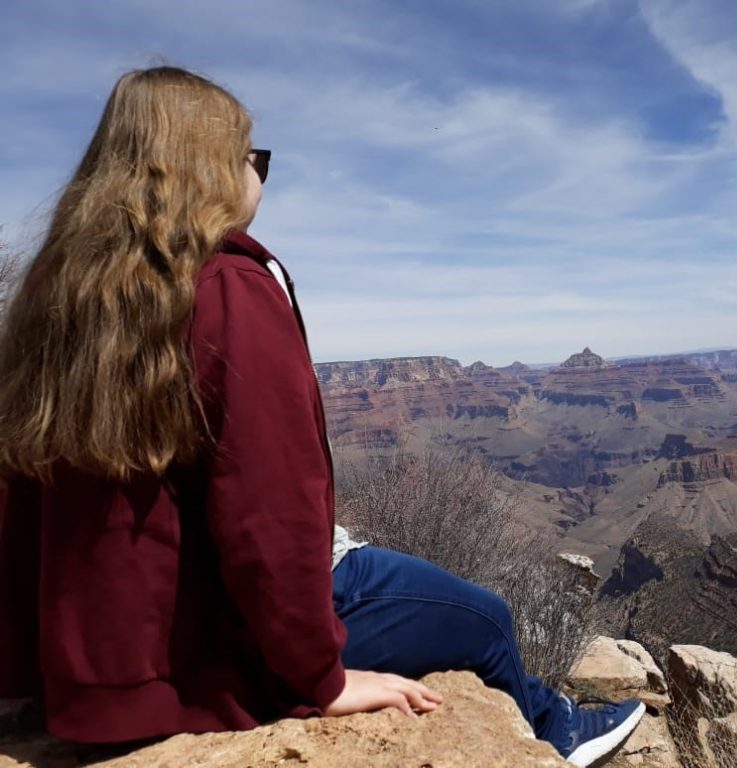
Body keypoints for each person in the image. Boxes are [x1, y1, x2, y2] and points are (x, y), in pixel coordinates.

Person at [0, 66, 644, 767]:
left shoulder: (57, 297)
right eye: (256, 159)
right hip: (204, 647)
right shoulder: (227, 289)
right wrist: (320, 679)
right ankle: (557, 733)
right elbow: (268, 508)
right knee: (486, 617)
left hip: (98, 663)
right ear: (212, 170)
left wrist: (25, 670)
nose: (262, 177)